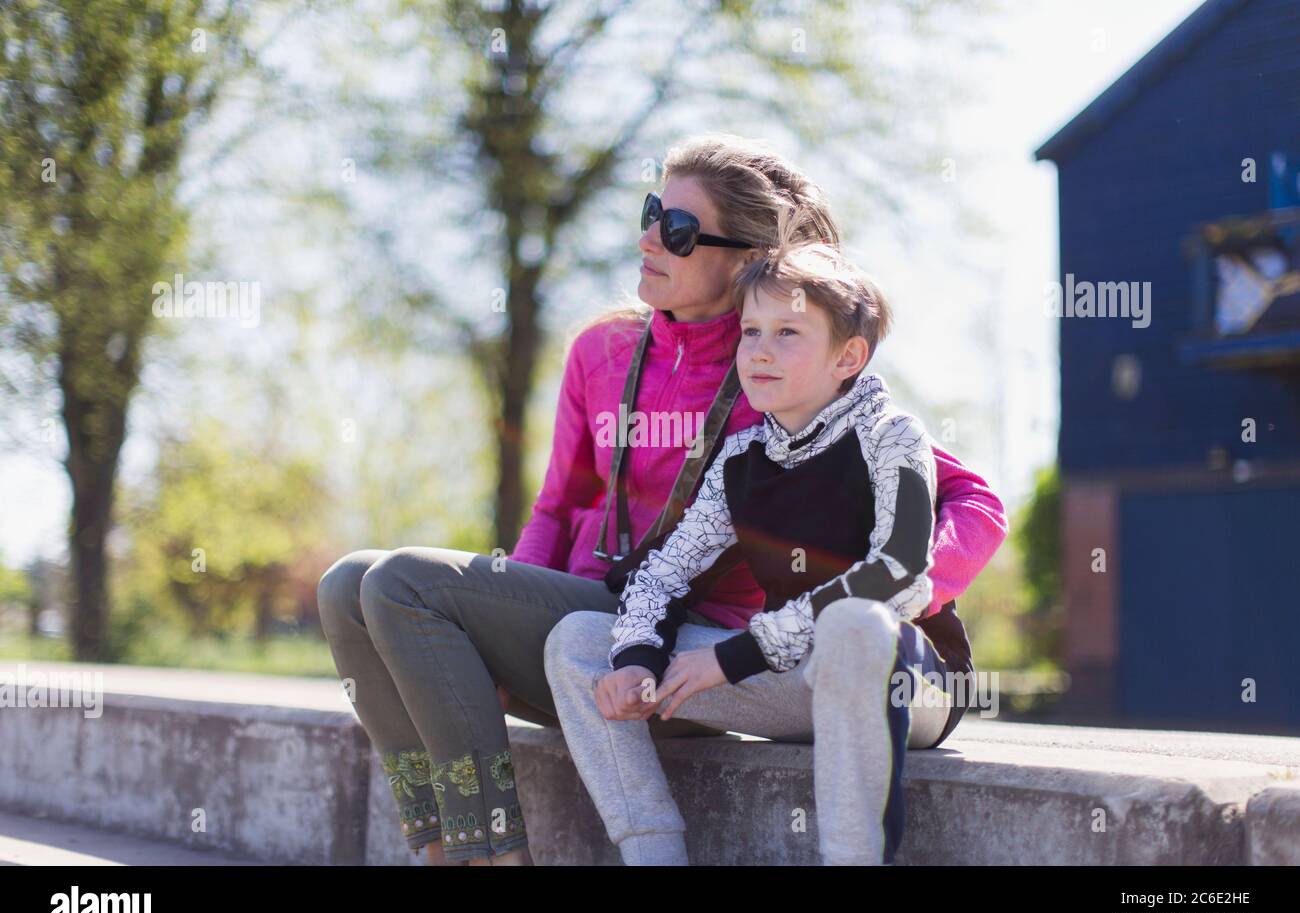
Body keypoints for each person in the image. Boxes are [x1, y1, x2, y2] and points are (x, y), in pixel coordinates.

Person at [316, 133, 1007, 866]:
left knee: (400, 581)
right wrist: (488, 624)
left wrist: (884, 602)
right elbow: (558, 505)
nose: (649, 237)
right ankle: (438, 846)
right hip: (596, 620)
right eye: (652, 212)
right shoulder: (601, 351)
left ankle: (492, 856)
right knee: (344, 584)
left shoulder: (779, 377)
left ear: (745, 261)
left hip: (703, 643)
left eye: (677, 230)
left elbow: (974, 500)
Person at [544, 215, 988, 865]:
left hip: (904, 683)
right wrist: (638, 656)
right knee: (579, 639)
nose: (758, 351)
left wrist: (732, 657)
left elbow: (898, 574)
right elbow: (667, 570)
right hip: (790, 681)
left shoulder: (892, 437)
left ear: (848, 357)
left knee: (855, 626)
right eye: (751, 331)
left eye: (787, 334)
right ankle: (653, 855)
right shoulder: (742, 458)